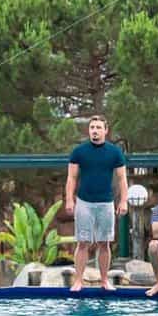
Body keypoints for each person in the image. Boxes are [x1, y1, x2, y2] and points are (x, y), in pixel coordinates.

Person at [65, 115, 128, 292]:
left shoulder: (115, 152)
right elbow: (71, 178)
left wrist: (123, 201)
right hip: (84, 202)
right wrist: (70, 199)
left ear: (105, 131)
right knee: (83, 242)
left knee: (104, 243)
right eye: (92, 127)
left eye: (99, 127)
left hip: (106, 203)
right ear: (89, 130)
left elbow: (122, 179)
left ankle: (104, 280)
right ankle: (78, 280)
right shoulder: (79, 151)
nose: (95, 130)